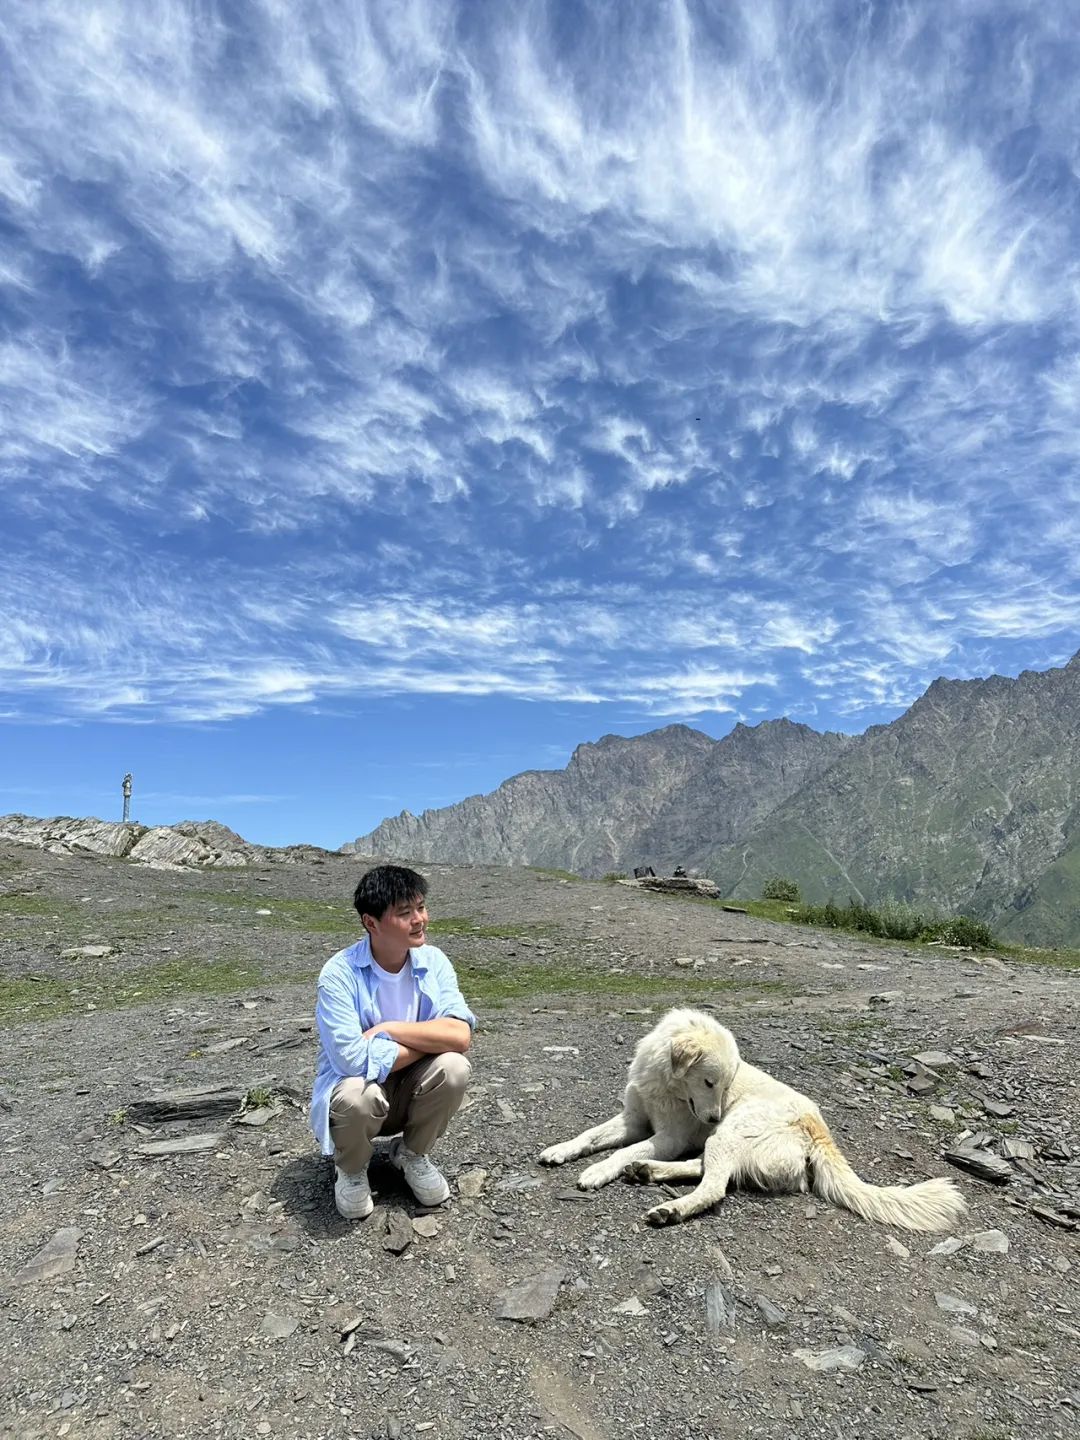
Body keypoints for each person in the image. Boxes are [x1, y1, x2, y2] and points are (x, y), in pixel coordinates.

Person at [309, 864, 475, 1220]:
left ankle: (411, 1153)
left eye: (421, 907)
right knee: (357, 1093)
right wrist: (429, 1040)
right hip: (362, 1097)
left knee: (454, 1067)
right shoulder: (338, 975)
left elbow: (460, 1036)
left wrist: (390, 1028)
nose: (420, 919)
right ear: (371, 923)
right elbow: (352, 1062)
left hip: (408, 1089)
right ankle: (352, 1168)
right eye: (405, 913)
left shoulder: (433, 961)